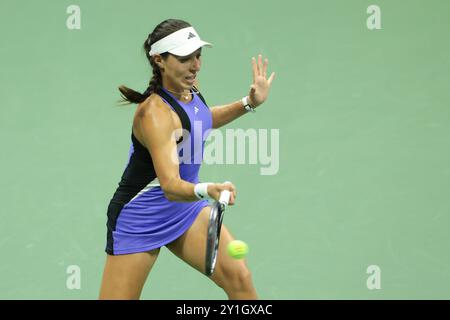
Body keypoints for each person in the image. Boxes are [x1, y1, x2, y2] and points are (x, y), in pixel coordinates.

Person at [99, 18, 275, 300]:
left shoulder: (187, 90)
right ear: (159, 60)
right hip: (140, 217)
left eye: (197, 55)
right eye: (184, 58)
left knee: (240, 279)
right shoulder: (154, 114)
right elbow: (170, 185)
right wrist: (209, 189)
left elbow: (201, 119)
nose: (195, 65)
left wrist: (248, 103)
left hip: (184, 209)